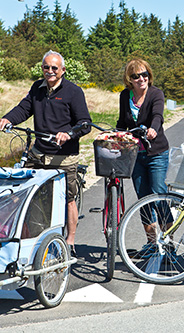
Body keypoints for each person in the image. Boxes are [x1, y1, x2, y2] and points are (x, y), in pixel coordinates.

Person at [0, 50, 91, 257]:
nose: (49, 71)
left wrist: (68, 134)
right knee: (21, 193)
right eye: (46, 67)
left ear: (63, 70)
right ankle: (28, 238)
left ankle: (70, 241)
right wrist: (7, 119)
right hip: (38, 153)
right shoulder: (37, 88)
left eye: (54, 68)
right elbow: (23, 109)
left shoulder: (73, 92)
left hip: (64, 157)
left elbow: (85, 124)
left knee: (68, 198)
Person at [116, 58, 173, 258]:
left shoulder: (156, 93)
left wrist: (153, 130)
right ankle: (151, 244)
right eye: (136, 76)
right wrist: (115, 135)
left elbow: (158, 115)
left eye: (144, 74)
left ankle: (168, 243)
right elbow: (122, 121)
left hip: (156, 152)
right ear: (129, 79)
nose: (141, 79)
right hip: (135, 154)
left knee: (158, 194)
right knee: (144, 198)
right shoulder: (125, 96)